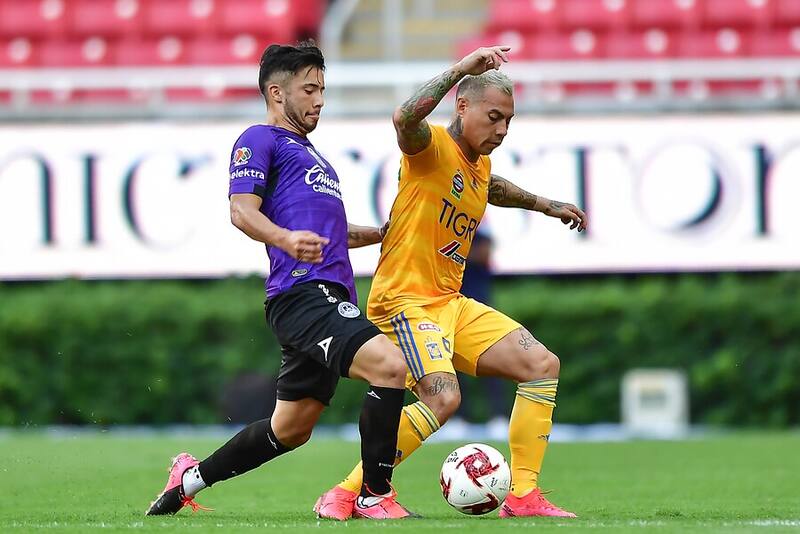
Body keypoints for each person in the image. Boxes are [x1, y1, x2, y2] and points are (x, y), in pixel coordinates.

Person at [314, 46, 587, 520]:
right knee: (444, 397)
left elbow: (492, 188)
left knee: (542, 364)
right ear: (463, 106)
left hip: (450, 303)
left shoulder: (476, 164)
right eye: (494, 117)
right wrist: (461, 69)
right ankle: (346, 492)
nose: (501, 130)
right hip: (405, 301)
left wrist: (546, 205)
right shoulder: (429, 147)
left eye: (509, 121)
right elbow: (403, 118)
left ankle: (522, 497)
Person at [145, 41, 413, 520]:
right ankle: (374, 496)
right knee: (390, 366)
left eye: (322, 90)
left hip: (326, 293)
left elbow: (329, 233)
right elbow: (241, 211)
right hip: (303, 295)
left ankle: (190, 479)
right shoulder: (258, 139)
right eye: (309, 89)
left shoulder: (315, 157)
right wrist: (286, 239)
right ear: (276, 92)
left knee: (291, 428)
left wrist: (380, 233)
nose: (320, 100)